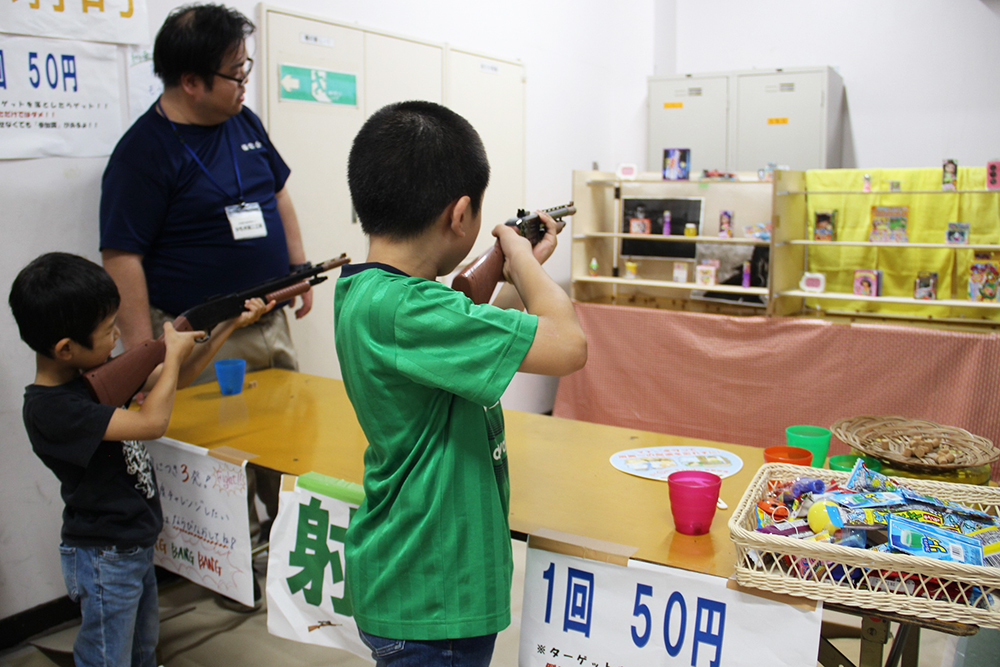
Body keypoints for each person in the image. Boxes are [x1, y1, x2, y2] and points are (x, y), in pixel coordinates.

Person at [336, 101, 588, 665]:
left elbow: (470, 336)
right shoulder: (411, 309)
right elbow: (570, 346)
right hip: (435, 587)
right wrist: (522, 262)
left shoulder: (368, 293)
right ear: (461, 214)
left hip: (414, 570)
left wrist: (513, 269)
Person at [99, 3, 309, 587]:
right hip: (200, 334)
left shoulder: (244, 123)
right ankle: (232, 576)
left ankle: (291, 563)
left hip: (266, 316)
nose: (246, 83)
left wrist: (296, 268)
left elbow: (280, 194)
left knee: (287, 439)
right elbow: (122, 256)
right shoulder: (143, 152)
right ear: (190, 82)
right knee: (222, 454)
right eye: (235, 73)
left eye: (246, 69)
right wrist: (145, 351)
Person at [8, 252, 271, 667]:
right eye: (107, 329)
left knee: (143, 649)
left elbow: (176, 379)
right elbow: (152, 421)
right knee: (106, 658)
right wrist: (170, 349)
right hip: (104, 555)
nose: (116, 335)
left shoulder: (90, 377)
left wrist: (226, 327)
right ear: (65, 348)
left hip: (132, 544)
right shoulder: (51, 409)